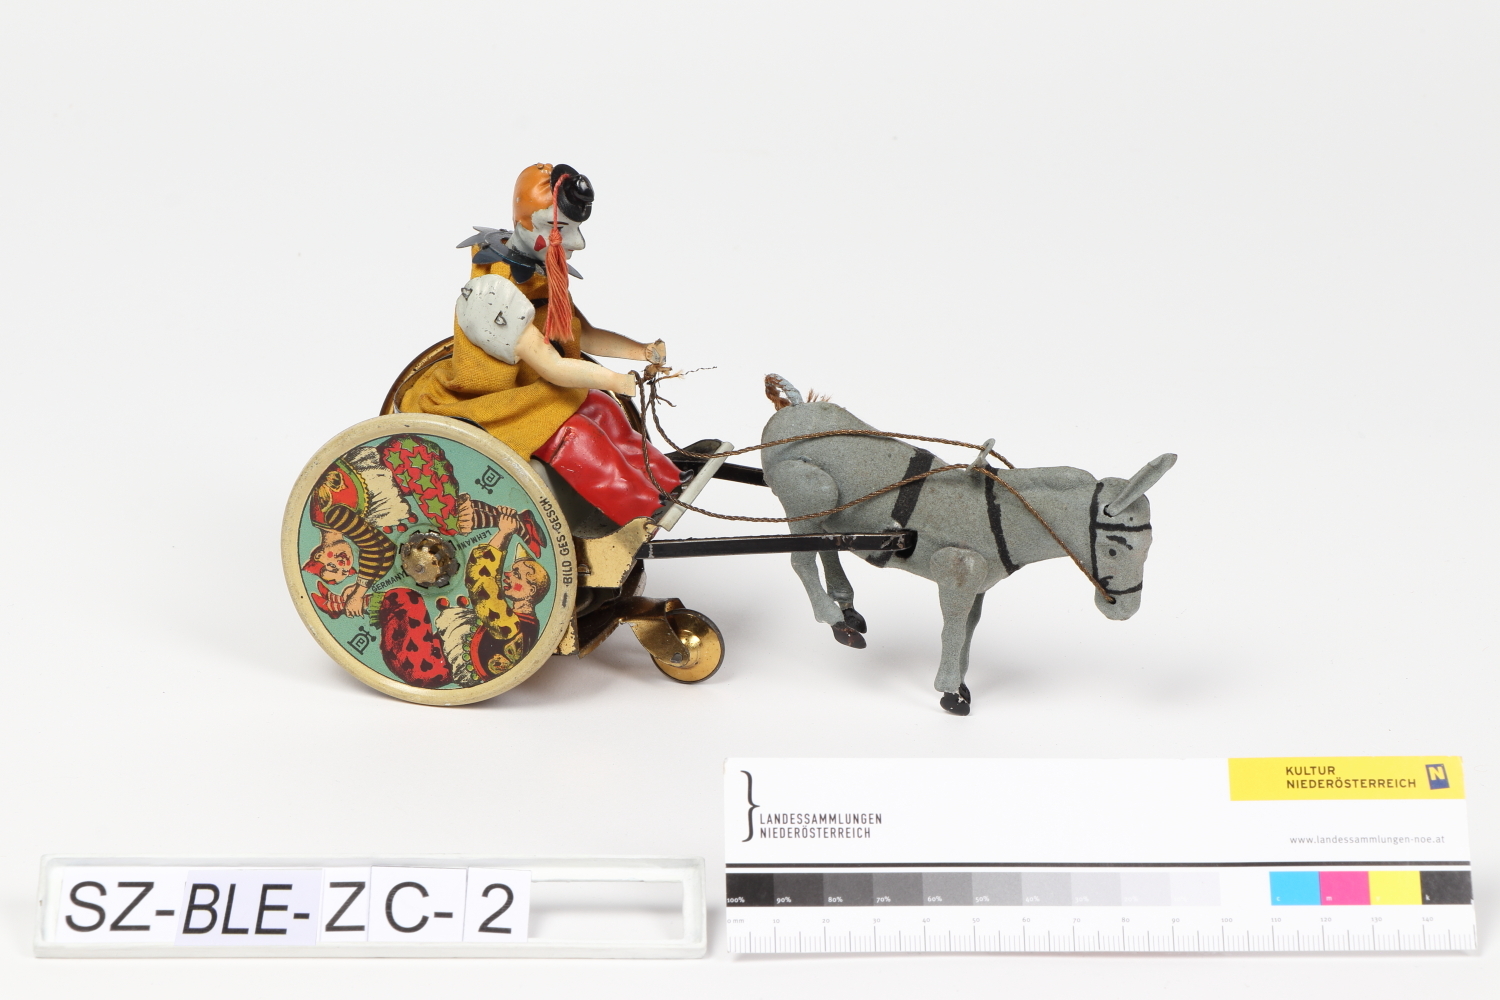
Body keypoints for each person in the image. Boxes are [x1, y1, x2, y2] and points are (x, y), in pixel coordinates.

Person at [399, 162, 681, 527]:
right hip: (488, 403)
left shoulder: (540, 273)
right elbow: (551, 364)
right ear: (524, 222)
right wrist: (614, 379)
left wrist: (640, 351)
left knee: (601, 407)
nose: (577, 243)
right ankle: (640, 509)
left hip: (531, 392)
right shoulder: (493, 293)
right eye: (559, 229)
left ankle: (667, 483)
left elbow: (579, 333)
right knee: (575, 435)